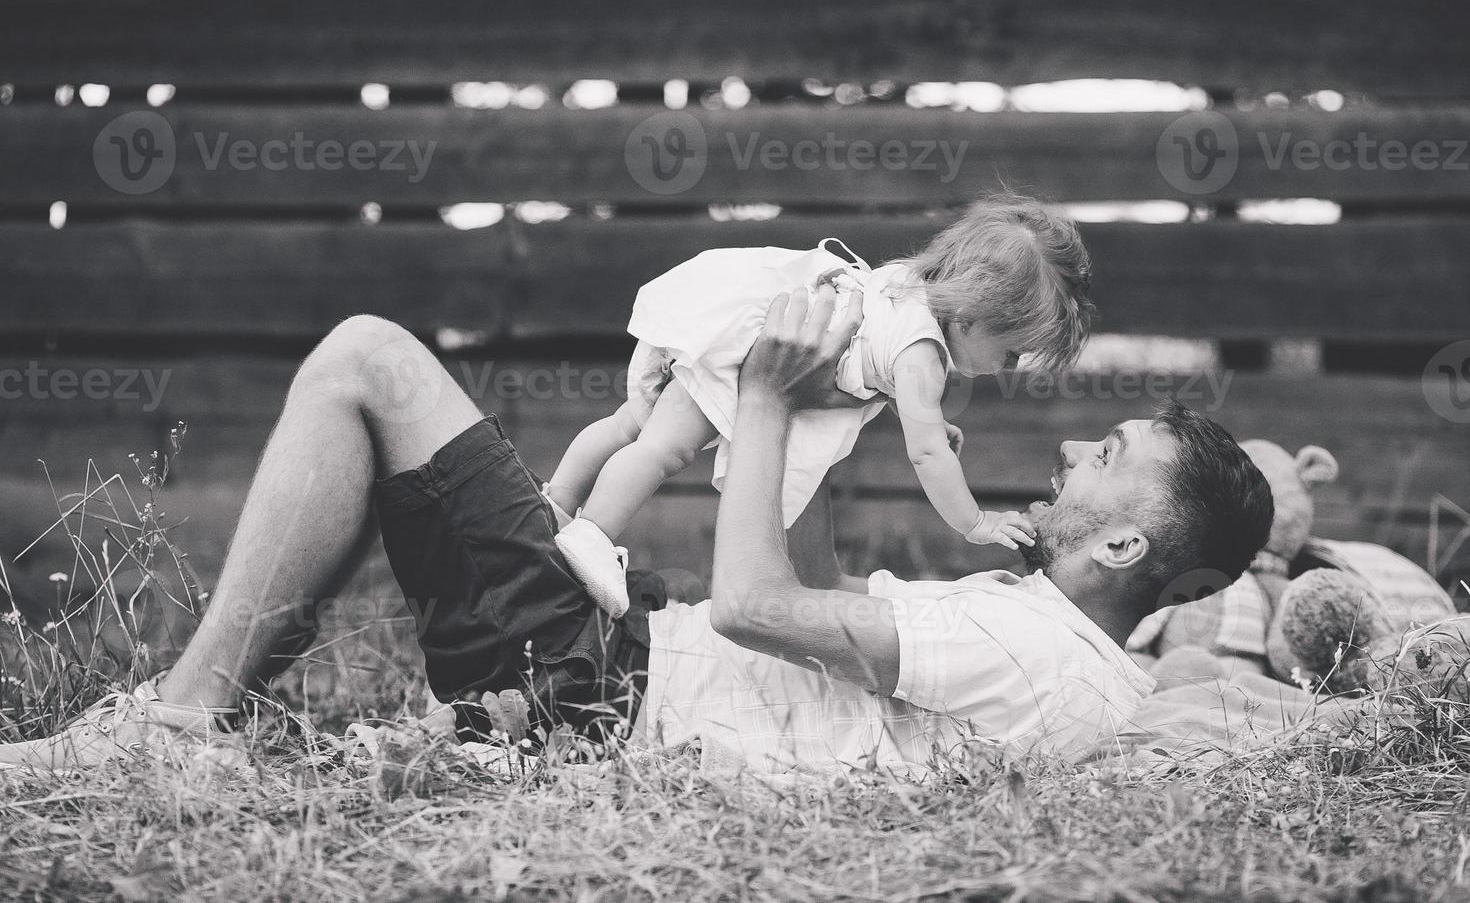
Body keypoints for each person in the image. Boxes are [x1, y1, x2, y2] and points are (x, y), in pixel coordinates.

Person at [0, 284, 1272, 775]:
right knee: (384, 381)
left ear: (1126, 550)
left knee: (367, 356)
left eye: (1107, 456)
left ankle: (175, 729)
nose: (1067, 446)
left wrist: (766, 402)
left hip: (594, 682)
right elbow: (815, 600)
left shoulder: (1044, 654)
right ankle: (195, 717)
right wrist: (825, 420)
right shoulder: (1041, 634)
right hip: (608, 652)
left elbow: (756, 609)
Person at [547, 194, 1096, 616]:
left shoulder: (909, 289)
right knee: (662, 451)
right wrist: (975, 522)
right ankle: (591, 538)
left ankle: (557, 503)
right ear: (973, 317)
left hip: (738, 320)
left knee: (627, 426)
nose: (1010, 369)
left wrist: (928, 415)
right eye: (1011, 352)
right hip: (752, 356)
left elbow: (879, 355)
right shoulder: (924, 357)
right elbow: (928, 456)